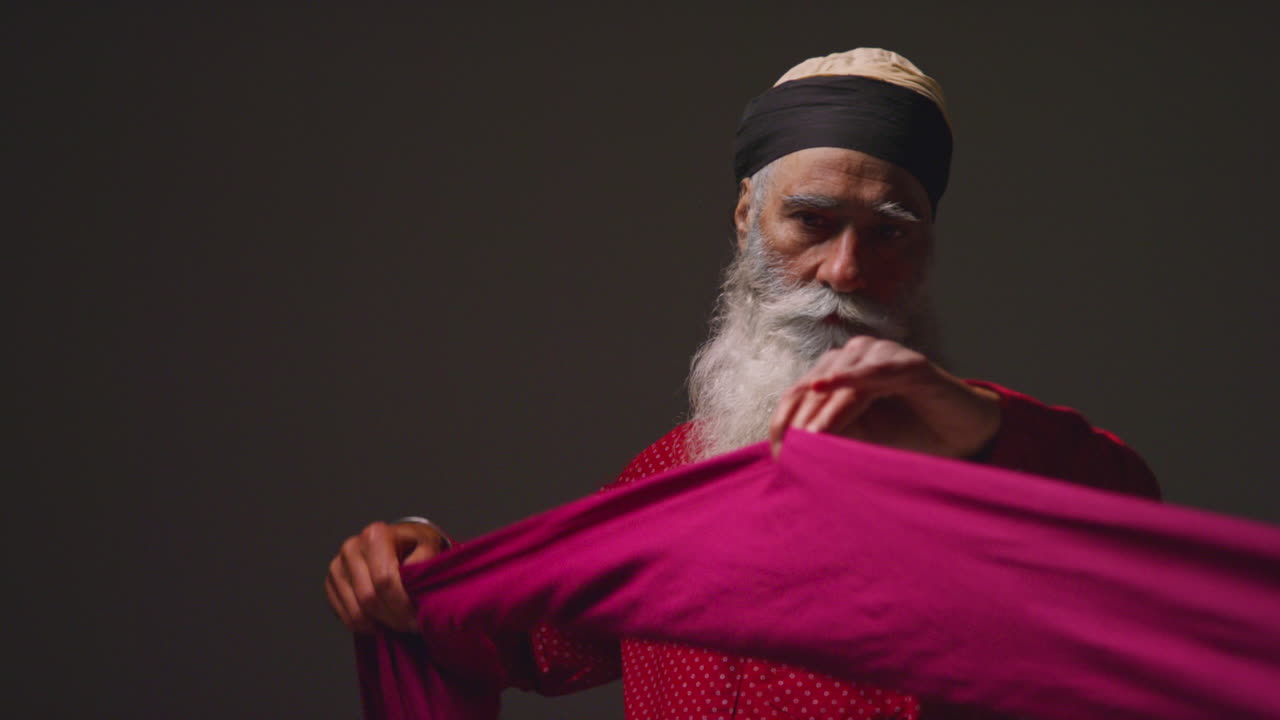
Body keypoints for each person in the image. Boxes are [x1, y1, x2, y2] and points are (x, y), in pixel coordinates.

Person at [325, 48, 1159, 719]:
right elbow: (533, 643)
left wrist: (972, 429)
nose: (844, 270)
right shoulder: (666, 474)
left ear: (928, 247)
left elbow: (1128, 530)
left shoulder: (992, 451)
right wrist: (419, 562)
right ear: (745, 219)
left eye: (888, 232)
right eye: (812, 222)